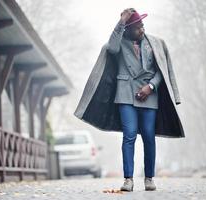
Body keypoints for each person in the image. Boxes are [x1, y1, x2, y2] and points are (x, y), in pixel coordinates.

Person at [74, 8, 185, 192]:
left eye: (143, 26)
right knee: (129, 136)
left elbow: (161, 70)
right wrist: (121, 22)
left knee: (149, 136)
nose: (142, 30)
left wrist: (150, 87)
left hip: (150, 95)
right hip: (126, 95)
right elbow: (111, 46)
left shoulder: (155, 43)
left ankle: (149, 178)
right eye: (138, 27)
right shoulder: (119, 43)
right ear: (128, 29)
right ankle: (128, 180)